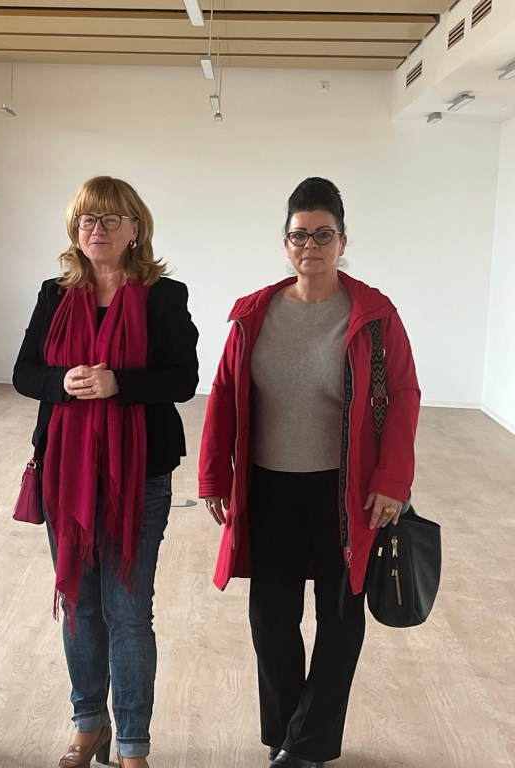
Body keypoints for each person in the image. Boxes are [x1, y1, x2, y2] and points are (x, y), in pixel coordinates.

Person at [198, 177, 420, 768]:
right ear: (285, 243)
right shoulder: (255, 313)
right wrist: (214, 475)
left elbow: (404, 394)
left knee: (340, 617)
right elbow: (224, 394)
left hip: (344, 491)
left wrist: (392, 480)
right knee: (270, 617)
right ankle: (286, 735)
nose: (311, 245)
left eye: (324, 234)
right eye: (300, 235)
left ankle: (308, 745)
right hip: (269, 487)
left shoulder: (374, 315)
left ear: (343, 242)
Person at [13, 176, 199, 768]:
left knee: (128, 611)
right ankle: (88, 724)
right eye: (88, 220)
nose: (98, 229)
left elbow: (183, 379)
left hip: (138, 475)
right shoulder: (54, 294)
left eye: (111, 219)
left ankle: (132, 745)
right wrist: (60, 382)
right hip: (66, 472)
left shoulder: (164, 297)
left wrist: (120, 383)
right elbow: (24, 372)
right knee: (79, 603)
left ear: (135, 229)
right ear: (76, 230)